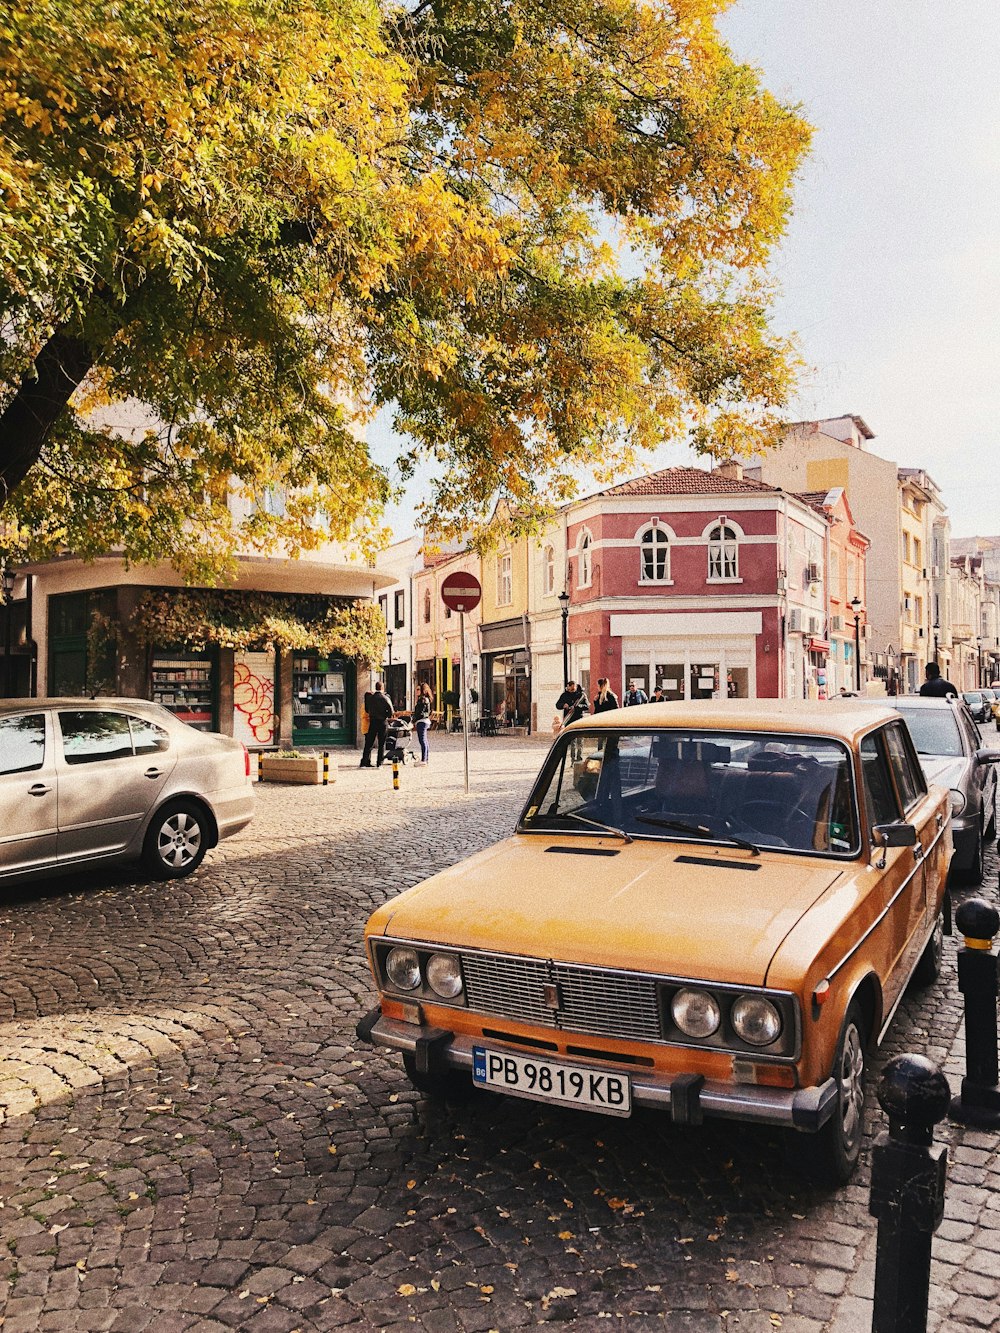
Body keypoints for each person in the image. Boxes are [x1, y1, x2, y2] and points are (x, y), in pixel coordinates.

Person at [360, 681, 394, 766]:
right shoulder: (385, 698)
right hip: (382, 722)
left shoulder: (370, 698)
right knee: (381, 743)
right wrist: (386, 715)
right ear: (382, 688)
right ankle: (379, 762)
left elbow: (367, 710)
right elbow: (391, 711)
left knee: (369, 742)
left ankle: (365, 761)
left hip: (373, 721)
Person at [412, 682, 433, 763]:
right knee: (424, 740)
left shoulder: (422, 700)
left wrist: (413, 720)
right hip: (424, 721)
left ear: (422, 690)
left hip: (422, 721)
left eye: (418, 689)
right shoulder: (425, 699)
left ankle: (424, 759)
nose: (416, 691)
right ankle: (425, 758)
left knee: (422, 740)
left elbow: (419, 713)